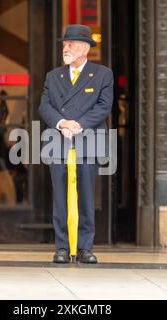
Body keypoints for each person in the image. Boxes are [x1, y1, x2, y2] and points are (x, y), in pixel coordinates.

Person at [38, 24, 114, 264]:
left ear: (84, 48)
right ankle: (61, 247)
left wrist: (78, 125)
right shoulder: (53, 76)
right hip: (59, 141)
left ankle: (85, 248)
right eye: (64, 44)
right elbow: (44, 106)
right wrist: (62, 123)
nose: (65, 47)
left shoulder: (103, 74)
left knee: (86, 197)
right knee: (60, 197)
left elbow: (104, 106)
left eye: (70, 44)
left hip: (87, 140)